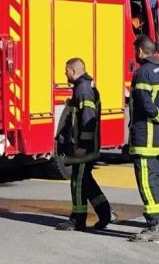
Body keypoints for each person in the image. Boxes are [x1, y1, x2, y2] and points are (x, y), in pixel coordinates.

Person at [55, 58, 115, 232]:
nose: (64, 73)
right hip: (84, 146)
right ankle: (105, 212)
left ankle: (78, 219)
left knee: (78, 182)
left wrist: (83, 145)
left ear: (73, 71)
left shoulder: (83, 90)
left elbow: (88, 118)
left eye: (66, 70)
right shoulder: (84, 87)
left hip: (83, 148)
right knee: (86, 182)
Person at [128, 35, 159, 242]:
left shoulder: (142, 73)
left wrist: (158, 119)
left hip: (144, 137)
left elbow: (145, 104)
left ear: (140, 51)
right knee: (157, 181)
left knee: (146, 183)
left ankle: (153, 225)